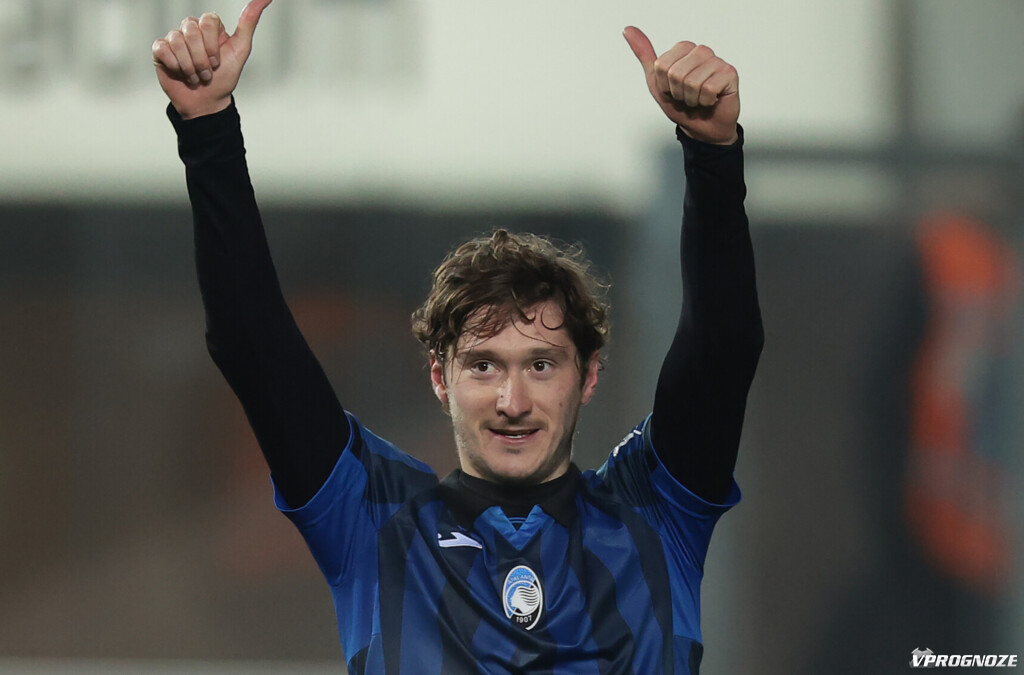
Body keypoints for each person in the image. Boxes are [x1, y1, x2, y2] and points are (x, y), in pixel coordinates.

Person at [153, 1, 763, 672]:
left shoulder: (655, 513)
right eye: (483, 366)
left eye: (540, 364)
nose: (512, 400)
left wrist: (712, 153)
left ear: (589, 375)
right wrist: (207, 128)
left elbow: (722, 349)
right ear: (439, 377)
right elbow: (252, 344)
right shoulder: (374, 517)